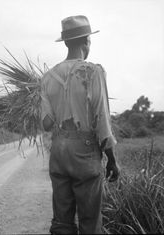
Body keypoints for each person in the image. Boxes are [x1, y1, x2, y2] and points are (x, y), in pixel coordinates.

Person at [41, 15, 119, 234]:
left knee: (61, 221)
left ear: (65, 42)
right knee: (90, 221)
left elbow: (46, 124)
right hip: (84, 154)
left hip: (58, 150)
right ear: (87, 41)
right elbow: (102, 120)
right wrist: (112, 160)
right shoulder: (94, 72)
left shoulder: (47, 77)